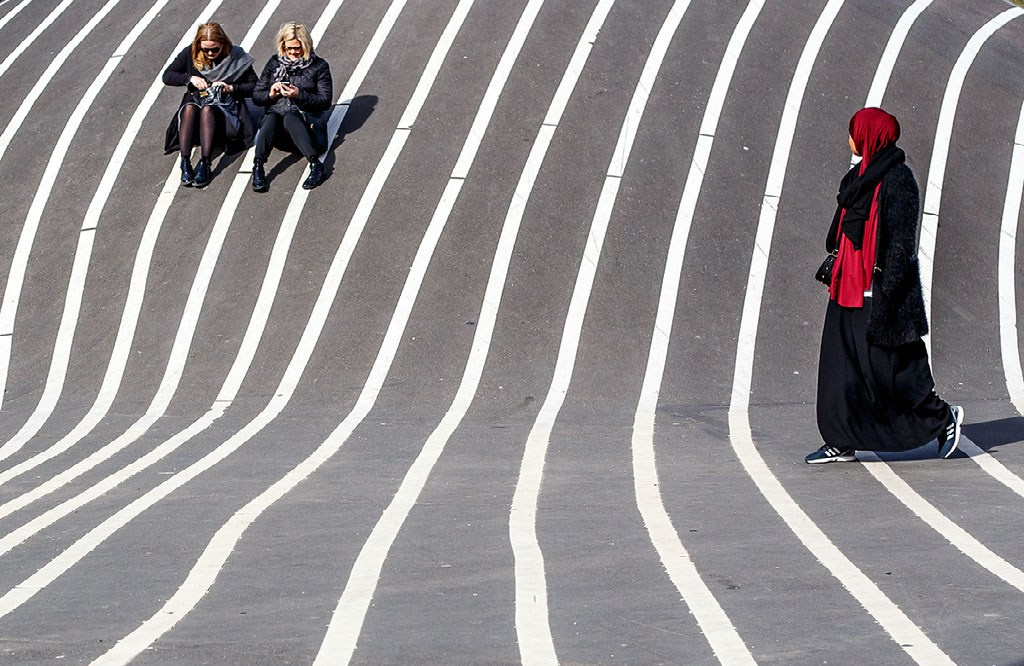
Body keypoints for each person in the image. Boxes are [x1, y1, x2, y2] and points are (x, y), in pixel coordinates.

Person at [806, 107, 964, 464]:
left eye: (853, 132)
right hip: (846, 287)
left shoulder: (898, 180)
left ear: (868, 136)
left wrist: (888, 290)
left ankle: (942, 419)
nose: (848, 139)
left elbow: (901, 243)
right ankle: (841, 439)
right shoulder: (857, 177)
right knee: (839, 370)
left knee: (893, 369)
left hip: (879, 292)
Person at [163, 23, 258, 188]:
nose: (210, 53)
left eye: (214, 49)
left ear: (223, 44)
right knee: (189, 108)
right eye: (205, 49)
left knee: (207, 110)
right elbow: (168, 76)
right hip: (198, 101)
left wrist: (231, 88)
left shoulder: (236, 57)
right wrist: (189, 79)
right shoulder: (190, 53)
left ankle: (205, 162)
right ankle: (185, 161)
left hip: (225, 108)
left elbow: (255, 86)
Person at [250, 22, 333, 192]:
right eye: (289, 49)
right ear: (283, 46)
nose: (294, 52)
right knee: (272, 117)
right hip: (279, 134)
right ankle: (258, 166)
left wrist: (298, 94)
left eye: (298, 48)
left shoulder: (319, 66)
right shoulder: (274, 63)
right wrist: (271, 94)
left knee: (289, 117)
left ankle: (315, 165)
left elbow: (325, 101)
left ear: (306, 45)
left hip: (306, 130)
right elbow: (257, 96)